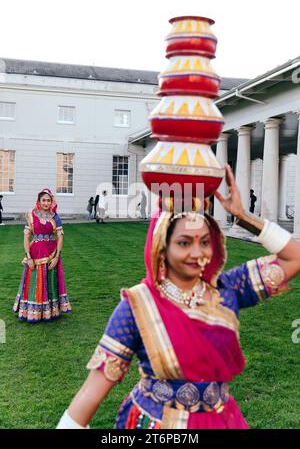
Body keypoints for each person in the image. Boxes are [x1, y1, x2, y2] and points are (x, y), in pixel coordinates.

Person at [57, 165, 300, 429]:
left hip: (221, 420)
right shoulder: (138, 306)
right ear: (162, 248)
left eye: (204, 241)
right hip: (157, 423)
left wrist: (242, 216)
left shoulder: (228, 290)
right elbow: (91, 391)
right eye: (184, 243)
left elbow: (294, 258)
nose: (197, 253)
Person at [13, 188, 72, 322]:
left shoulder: (55, 216)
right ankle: (33, 311)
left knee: (50, 280)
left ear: (52, 202)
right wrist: (28, 257)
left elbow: (60, 238)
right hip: (35, 253)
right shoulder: (31, 215)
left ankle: (49, 311)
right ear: (39, 201)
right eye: (43, 200)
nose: (46, 203)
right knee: (34, 281)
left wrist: (57, 257)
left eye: (48, 200)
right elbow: (26, 238)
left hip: (51, 253)